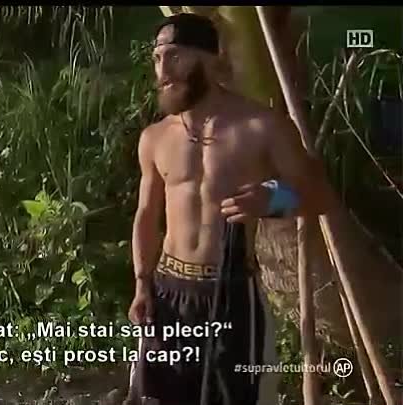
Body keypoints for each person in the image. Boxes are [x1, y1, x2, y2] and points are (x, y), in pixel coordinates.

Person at [125, 13, 338, 405]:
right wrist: (142, 284)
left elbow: (320, 196)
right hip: (168, 293)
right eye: (156, 58)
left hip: (232, 291)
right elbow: (146, 215)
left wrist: (273, 200)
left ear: (210, 58)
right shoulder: (155, 137)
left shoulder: (262, 126)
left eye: (174, 56)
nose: (162, 70)